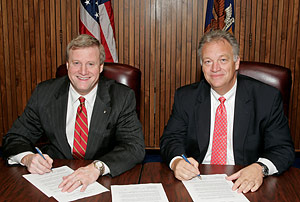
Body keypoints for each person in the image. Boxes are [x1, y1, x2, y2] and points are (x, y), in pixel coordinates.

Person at [2, 34, 145, 192]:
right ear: (68, 65)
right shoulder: (44, 93)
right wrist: (27, 158)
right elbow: (14, 138)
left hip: (102, 183)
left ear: (101, 67)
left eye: (90, 64)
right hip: (54, 180)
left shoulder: (121, 97)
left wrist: (97, 167)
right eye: (76, 63)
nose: (83, 71)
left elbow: (134, 147)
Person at [160, 29, 295, 193]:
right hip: (198, 180)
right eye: (208, 61)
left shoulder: (266, 98)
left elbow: (282, 149)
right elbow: (170, 139)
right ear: (202, 66)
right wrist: (177, 162)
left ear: (236, 62)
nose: (215, 68)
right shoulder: (186, 97)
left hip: (246, 182)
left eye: (223, 60)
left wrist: (260, 168)